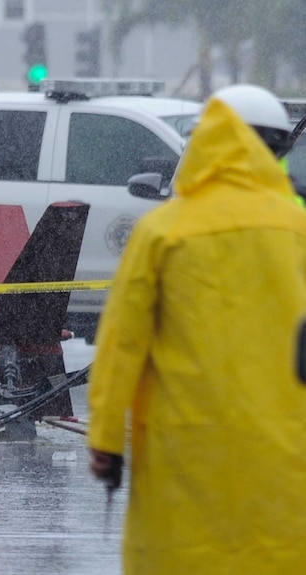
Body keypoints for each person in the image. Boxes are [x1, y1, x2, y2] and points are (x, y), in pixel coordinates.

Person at [87, 84, 306, 574]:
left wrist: (105, 440)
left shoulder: (163, 233)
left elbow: (122, 345)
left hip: (182, 453)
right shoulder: (298, 231)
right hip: (283, 455)